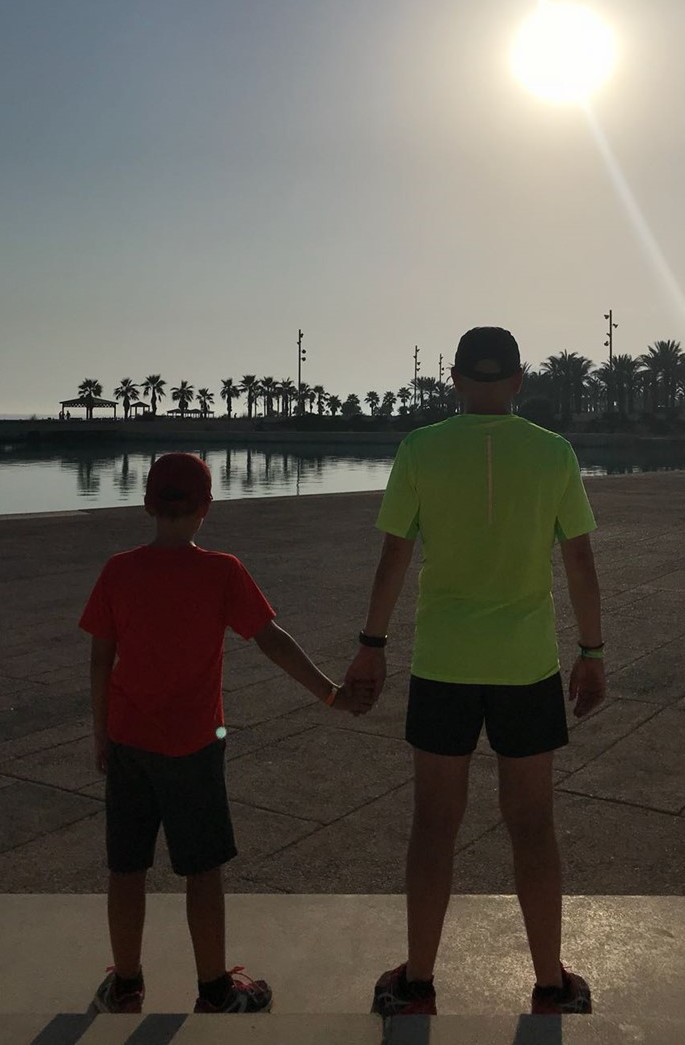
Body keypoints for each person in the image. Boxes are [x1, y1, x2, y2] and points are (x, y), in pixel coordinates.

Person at [344, 326, 607, 1018]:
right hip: (527, 666)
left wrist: (371, 643)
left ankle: (418, 983)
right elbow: (580, 563)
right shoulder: (554, 453)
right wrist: (593, 652)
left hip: (445, 663)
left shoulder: (420, 448)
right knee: (533, 824)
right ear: (519, 380)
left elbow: (393, 559)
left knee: (434, 824)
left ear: (454, 379)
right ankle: (551, 983)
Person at [79, 451, 366, 1015]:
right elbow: (272, 640)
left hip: (129, 739)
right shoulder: (222, 572)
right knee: (203, 868)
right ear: (206, 508)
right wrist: (330, 693)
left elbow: (99, 660)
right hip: (193, 745)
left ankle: (126, 984)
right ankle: (213, 989)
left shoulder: (118, 571)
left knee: (127, 867)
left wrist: (99, 735)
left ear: (147, 504)